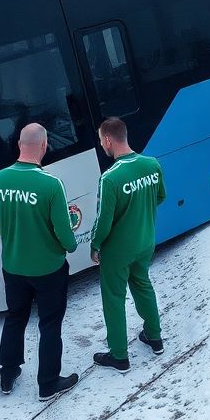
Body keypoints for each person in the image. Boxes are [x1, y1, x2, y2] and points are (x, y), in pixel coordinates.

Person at [0, 123, 79, 402]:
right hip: (49, 269)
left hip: (13, 267)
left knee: (16, 317)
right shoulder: (51, 184)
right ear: (44, 145)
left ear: (19, 145)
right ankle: (48, 383)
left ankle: (8, 373)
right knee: (49, 324)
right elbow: (64, 234)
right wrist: (70, 246)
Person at [90, 118, 165, 372]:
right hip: (145, 242)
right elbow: (160, 197)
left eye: (101, 141)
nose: (102, 146)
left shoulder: (109, 178)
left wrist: (95, 245)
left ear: (109, 140)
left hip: (118, 250)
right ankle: (155, 337)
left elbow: (103, 220)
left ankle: (119, 355)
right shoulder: (152, 164)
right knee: (143, 285)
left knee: (114, 298)